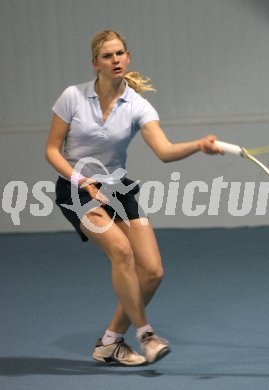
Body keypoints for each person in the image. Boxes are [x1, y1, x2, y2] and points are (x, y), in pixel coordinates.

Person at [45, 29, 221, 366]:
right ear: (96, 62)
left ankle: (110, 341)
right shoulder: (72, 97)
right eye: (108, 56)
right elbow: (52, 150)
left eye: (120, 54)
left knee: (152, 272)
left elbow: (165, 152)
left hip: (118, 187)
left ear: (128, 58)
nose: (115, 60)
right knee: (122, 251)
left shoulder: (138, 105)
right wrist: (82, 181)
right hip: (75, 187)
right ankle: (146, 335)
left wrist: (198, 145)